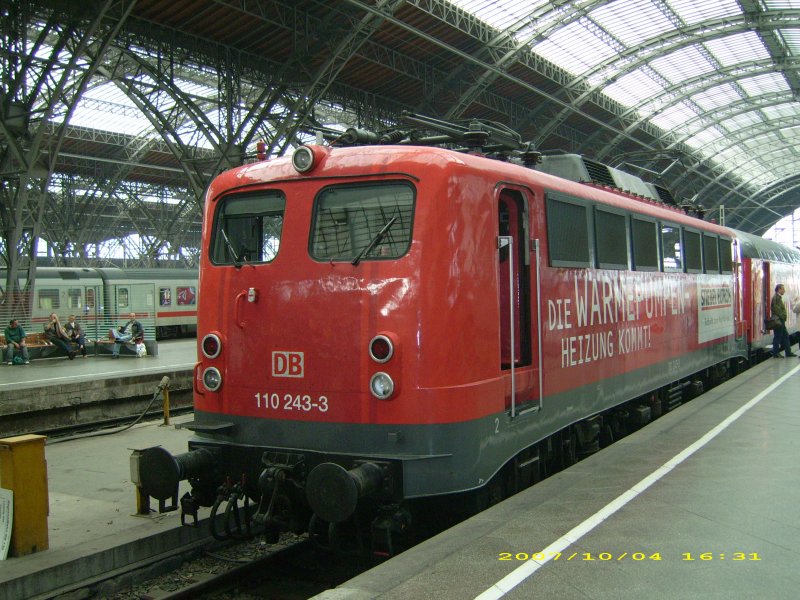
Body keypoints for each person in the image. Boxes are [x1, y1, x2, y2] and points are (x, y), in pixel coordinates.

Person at [770, 284, 796, 358]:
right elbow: (776, 309)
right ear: (779, 289)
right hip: (778, 321)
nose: (784, 291)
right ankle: (775, 353)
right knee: (777, 337)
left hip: (781, 321)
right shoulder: (776, 298)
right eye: (783, 289)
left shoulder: (778, 297)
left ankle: (788, 352)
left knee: (785, 336)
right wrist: (782, 316)